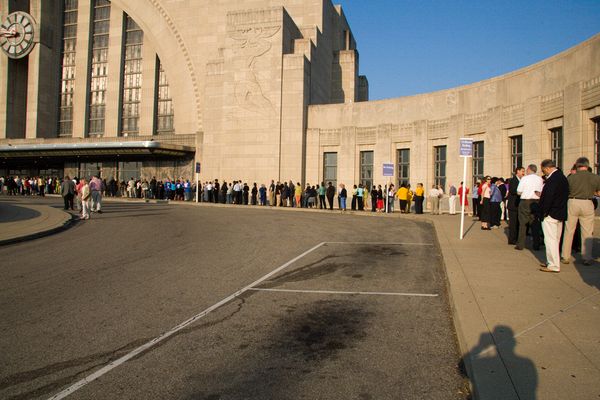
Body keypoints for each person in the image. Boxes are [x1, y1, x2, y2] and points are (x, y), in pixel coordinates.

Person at [561, 157, 600, 266]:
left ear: (577, 166)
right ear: (587, 166)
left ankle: (565, 256)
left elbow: (565, 191)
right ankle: (586, 257)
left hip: (572, 202)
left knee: (569, 230)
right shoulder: (595, 177)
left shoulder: (571, 178)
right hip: (588, 202)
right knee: (587, 231)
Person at [537, 159, 569, 273]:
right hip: (560, 212)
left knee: (550, 240)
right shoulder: (562, 177)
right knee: (556, 239)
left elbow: (548, 198)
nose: (543, 172)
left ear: (547, 168)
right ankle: (554, 262)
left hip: (551, 213)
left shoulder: (552, 180)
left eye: (543, 170)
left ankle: (553, 265)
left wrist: (544, 213)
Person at [516, 164, 544, 251]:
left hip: (525, 201)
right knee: (535, 223)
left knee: (523, 223)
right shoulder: (540, 179)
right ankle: (536, 244)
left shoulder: (525, 178)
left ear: (529, 169)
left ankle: (520, 244)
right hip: (536, 201)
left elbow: (519, 191)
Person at [507, 167, 524, 245]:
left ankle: (516, 238)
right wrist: (521, 192)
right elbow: (513, 190)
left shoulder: (521, 180)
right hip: (513, 205)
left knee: (518, 223)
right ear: (518, 171)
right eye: (522, 171)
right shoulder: (513, 180)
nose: (523, 173)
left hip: (519, 205)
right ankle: (512, 239)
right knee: (513, 223)